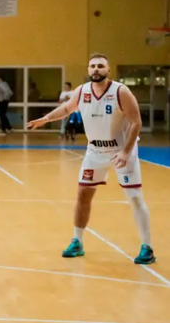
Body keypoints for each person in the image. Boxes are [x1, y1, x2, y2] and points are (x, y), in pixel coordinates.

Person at [27, 54, 154, 265]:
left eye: (101, 66)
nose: (96, 69)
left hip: (122, 152)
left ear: (108, 70)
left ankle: (147, 247)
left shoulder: (121, 91)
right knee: (83, 195)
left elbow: (136, 122)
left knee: (134, 197)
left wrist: (125, 152)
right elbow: (67, 108)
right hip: (94, 152)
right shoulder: (82, 91)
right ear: (88, 69)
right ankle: (77, 241)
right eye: (93, 66)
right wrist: (47, 118)